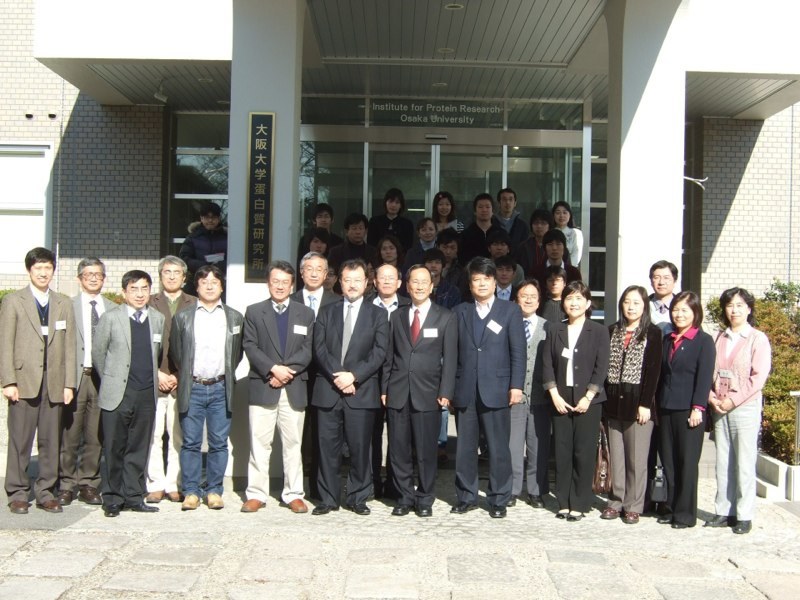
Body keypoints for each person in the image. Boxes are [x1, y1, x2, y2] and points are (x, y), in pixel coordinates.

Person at [1, 247, 76, 515]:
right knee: (20, 441)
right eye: (38, 268)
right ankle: (18, 492)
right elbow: (5, 343)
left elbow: (70, 345)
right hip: (24, 381)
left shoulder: (63, 303)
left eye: (47, 268)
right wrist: (8, 381)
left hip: (54, 381)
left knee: (50, 441)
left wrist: (69, 383)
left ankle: (46, 491)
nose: (43, 273)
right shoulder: (14, 301)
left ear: (53, 270)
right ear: (29, 270)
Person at [311, 259, 389, 515]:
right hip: (329, 388)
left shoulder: (378, 315)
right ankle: (328, 498)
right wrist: (339, 376)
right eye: (347, 280)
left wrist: (354, 376)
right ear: (339, 282)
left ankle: (358, 497)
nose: (352, 285)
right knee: (327, 447)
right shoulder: (326, 311)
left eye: (357, 280)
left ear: (367, 283)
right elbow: (319, 348)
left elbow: (379, 352)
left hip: (361, 390)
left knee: (360, 448)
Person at [451, 257, 526, 519]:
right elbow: (452, 354)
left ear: (495, 282)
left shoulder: (510, 311)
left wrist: (516, 385)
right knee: (465, 448)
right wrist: (449, 389)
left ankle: (498, 498)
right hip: (466, 389)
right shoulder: (460, 311)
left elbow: (518, 352)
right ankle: (466, 496)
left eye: (486, 279)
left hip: (498, 388)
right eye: (476, 280)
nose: (481, 284)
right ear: (470, 284)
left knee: (498, 447)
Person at [382, 265, 457, 518]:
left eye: (425, 282)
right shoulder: (397, 316)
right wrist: (385, 388)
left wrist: (446, 391)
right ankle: (404, 496)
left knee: (426, 451)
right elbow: (389, 356)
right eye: (415, 281)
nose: (420, 286)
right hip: (398, 391)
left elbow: (451, 359)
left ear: (432, 286)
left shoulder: (445, 316)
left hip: (429, 393)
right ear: (407, 285)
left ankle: (425, 497)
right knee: (398, 449)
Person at [241, 261, 314, 514]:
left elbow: (308, 349)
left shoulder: (305, 313)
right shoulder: (254, 312)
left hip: (293, 386)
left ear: (292, 284)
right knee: (259, 444)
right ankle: (256, 494)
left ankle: (293, 493)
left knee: (293, 444)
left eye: (285, 282)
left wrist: (285, 372)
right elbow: (250, 346)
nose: (280, 286)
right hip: (264, 384)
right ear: (268, 283)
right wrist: (273, 369)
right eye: (275, 281)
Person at [169, 265, 243, 511]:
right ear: (197, 287)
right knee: (190, 442)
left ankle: (214, 490)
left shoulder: (234, 317)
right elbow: (177, 353)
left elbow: (237, 353)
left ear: (222, 286)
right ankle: (191, 491)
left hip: (221, 387)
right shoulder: (183, 317)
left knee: (218, 442)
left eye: (214, 282)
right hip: (194, 386)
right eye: (204, 282)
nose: (209, 286)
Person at [93, 270, 165, 517]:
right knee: (114, 446)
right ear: (124, 292)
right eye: (134, 289)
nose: (139, 294)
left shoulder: (157, 319)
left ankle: (134, 496)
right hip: (119, 392)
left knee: (139, 446)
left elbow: (157, 353)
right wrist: (112, 379)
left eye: (144, 288)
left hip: (146, 393)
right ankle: (113, 498)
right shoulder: (111, 318)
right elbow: (99, 354)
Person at [705, 287, 771, 535]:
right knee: (723, 461)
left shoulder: (757, 339)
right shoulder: (718, 337)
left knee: (744, 461)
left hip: (744, 407)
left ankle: (744, 515)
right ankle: (724, 510)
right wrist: (712, 398)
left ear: (749, 309)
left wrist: (733, 400)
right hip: (719, 406)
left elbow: (758, 378)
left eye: (740, 305)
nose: (734, 310)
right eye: (730, 305)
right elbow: (708, 372)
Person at [543, 281, 610, 521]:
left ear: (588, 303)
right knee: (562, 451)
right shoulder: (555, 329)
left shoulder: (599, 331)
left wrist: (589, 396)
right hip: (560, 399)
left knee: (583, 452)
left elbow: (601, 367)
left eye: (579, 298)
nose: (574, 303)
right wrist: (554, 394)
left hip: (588, 401)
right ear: (563, 303)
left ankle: (580, 502)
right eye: (569, 298)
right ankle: (563, 501)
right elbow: (547, 364)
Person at [601, 286, 662, 525]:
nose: (631, 307)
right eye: (627, 302)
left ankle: (634, 505)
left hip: (638, 406)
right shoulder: (612, 331)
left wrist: (645, 403)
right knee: (616, 457)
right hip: (613, 403)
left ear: (644, 306)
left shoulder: (653, 333)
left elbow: (653, 372)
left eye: (636, 303)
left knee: (636, 459)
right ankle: (615, 501)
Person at [655, 291, 715, 529]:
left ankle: (685, 514)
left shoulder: (703, 341)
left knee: (686, 462)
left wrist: (698, 407)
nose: (679, 314)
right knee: (668, 461)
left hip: (689, 410)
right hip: (666, 407)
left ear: (695, 312)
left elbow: (704, 377)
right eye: (676, 310)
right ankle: (670, 507)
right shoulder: (668, 339)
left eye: (684, 310)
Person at [58, 257, 115, 507]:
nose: (93, 278)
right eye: (88, 274)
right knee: (70, 434)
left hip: (102, 378)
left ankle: (89, 483)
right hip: (76, 377)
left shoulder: (113, 308)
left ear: (104, 279)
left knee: (95, 434)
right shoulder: (67, 306)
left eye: (98, 274)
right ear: (79, 278)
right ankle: (66, 484)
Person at [145, 256, 196, 504]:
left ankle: (175, 483)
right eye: (167, 272)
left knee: (178, 435)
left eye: (177, 272)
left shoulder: (194, 303)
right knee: (153, 435)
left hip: (181, 379)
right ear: (160, 276)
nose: (172, 276)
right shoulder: (148, 302)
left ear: (184, 277)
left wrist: (178, 374)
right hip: (154, 377)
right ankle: (155, 483)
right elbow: (140, 342)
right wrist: (157, 372)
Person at [292, 251, 339, 499]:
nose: (313, 273)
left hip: (326, 378)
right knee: (296, 435)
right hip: (296, 377)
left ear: (326, 274)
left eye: (319, 269)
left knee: (322, 434)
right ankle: (294, 488)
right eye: (308, 268)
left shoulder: (337, 302)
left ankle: (320, 488)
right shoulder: (290, 300)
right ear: (301, 273)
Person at [370, 263, 410, 498]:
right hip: (369, 379)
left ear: (399, 283)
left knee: (398, 436)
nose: (386, 281)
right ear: (374, 282)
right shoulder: (365, 305)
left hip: (400, 380)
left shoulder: (408, 306)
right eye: (381, 277)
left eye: (391, 278)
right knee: (371, 434)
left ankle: (396, 485)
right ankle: (372, 483)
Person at [510, 279, 550, 508]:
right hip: (514, 397)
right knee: (513, 446)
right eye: (523, 295)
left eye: (533, 296)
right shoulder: (509, 324)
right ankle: (512, 489)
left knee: (538, 446)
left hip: (540, 397)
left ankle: (536, 491)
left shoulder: (548, 327)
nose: (528, 300)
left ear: (539, 300)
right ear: (516, 299)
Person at [179, 201, 228, 294]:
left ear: (219, 218)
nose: (210, 220)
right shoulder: (193, 237)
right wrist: (204, 266)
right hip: (196, 282)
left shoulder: (227, 238)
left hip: (220, 281)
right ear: (201, 218)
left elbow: (234, 259)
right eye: (206, 217)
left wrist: (218, 267)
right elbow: (184, 259)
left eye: (213, 217)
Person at [459, 193, 503, 264]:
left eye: (487, 207)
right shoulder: (466, 234)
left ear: (492, 211)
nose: (484, 210)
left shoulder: (500, 233)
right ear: (475, 211)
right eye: (480, 207)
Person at [514, 209, 552, 276]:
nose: (539, 226)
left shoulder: (556, 246)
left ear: (549, 225)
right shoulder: (523, 247)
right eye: (536, 223)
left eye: (543, 223)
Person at [437, 228, 468, 301]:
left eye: (452, 248)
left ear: (457, 249)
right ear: (438, 247)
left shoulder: (461, 272)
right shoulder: (429, 267)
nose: (448, 251)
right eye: (445, 247)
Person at [649, 260, 678, 334]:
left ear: (674, 281)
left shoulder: (685, 306)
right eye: (656, 277)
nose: (661, 282)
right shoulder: (643, 306)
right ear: (651, 281)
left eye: (666, 278)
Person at [551, 201, 583, 266]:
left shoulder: (576, 233)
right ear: (553, 215)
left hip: (570, 269)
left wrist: (563, 268)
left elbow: (576, 255)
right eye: (558, 213)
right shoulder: (549, 233)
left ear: (569, 215)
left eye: (565, 213)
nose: (561, 216)